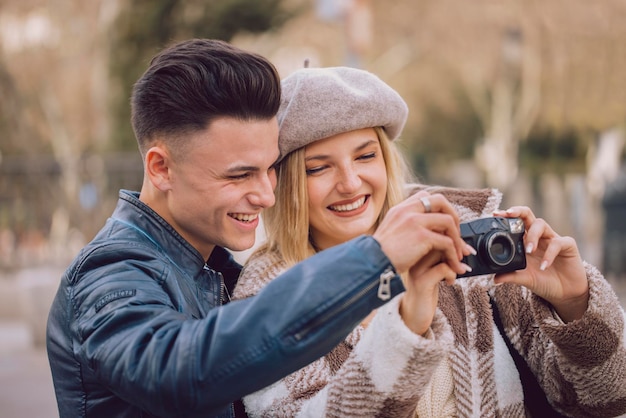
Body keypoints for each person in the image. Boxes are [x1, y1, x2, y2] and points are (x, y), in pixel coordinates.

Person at [45, 39, 473, 418]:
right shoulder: (109, 273)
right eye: (238, 176)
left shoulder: (218, 267)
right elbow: (184, 375)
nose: (267, 195)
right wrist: (374, 260)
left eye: (270, 169)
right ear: (161, 168)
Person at [233, 66, 626, 417]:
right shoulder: (266, 300)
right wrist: (406, 330)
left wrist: (575, 303)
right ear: (281, 184)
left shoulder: (471, 240)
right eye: (318, 168)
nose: (350, 183)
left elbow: (607, 399)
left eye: (365, 156)